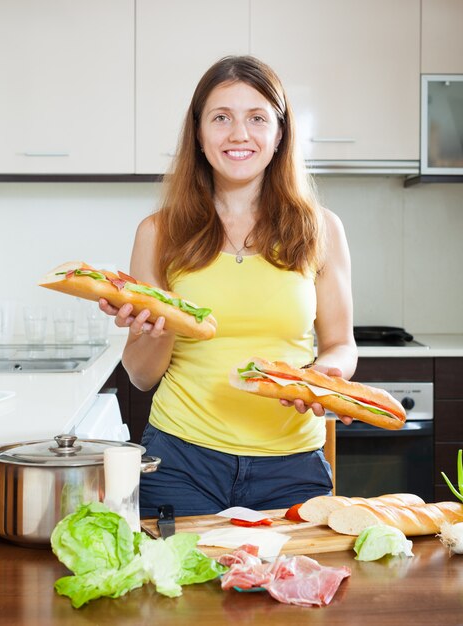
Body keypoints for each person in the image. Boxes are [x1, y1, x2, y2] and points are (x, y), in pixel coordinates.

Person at [100, 55, 358, 518]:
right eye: (221, 118)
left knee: (293, 590)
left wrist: (326, 376)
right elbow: (141, 376)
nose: (239, 134)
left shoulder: (321, 230)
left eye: (257, 118)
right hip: (181, 461)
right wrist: (159, 328)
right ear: (198, 135)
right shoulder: (157, 233)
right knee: (180, 588)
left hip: (292, 465)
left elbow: (341, 344)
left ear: (280, 134)